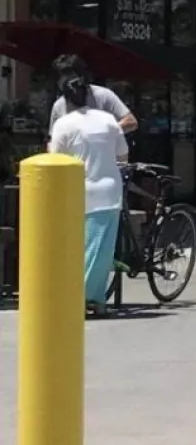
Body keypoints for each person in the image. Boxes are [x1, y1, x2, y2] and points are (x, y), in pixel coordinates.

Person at [49, 71, 129, 314]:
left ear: (66, 99)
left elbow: (55, 161)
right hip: (108, 190)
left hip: (76, 192)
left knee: (79, 247)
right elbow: (122, 155)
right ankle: (93, 299)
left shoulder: (63, 124)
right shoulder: (107, 120)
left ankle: (78, 298)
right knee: (101, 251)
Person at [48, 54, 138, 140]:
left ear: (82, 78)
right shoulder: (59, 106)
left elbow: (131, 122)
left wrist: (102, 132)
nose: (72, 89)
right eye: (65, 82)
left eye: (73, 82)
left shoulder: (103, 96)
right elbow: (53, 139)